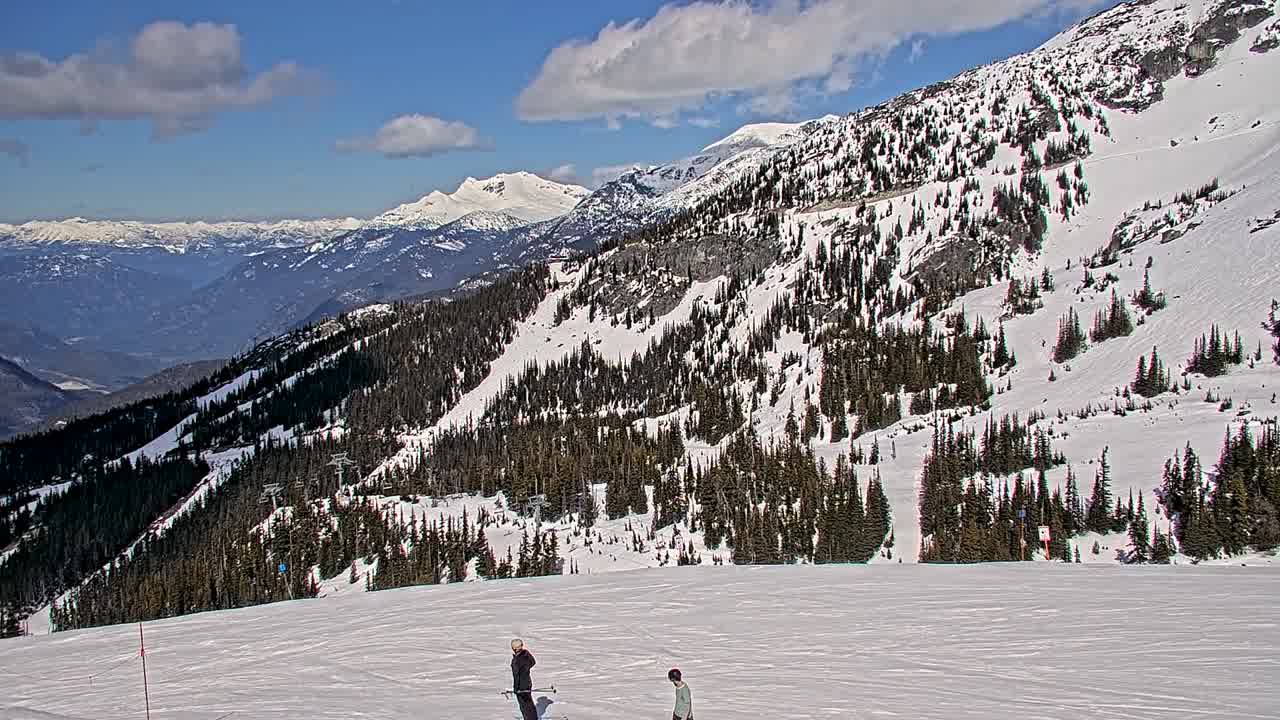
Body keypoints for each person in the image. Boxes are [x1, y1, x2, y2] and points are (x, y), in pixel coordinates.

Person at [510, 638, 538, 720]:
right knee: (529, 704)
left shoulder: (516, 661)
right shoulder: (526, 655)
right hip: (528, 683)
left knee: (525, 707)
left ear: (514, 648)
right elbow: (533, 662)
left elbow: (516, 676)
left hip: (521, 687)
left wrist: (515, 688)